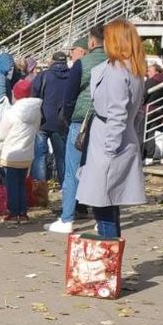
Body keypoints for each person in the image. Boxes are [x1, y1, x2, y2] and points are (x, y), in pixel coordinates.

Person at [76, 19, 147, 237]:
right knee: (109, 201)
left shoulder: (118, 70)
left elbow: (117, 112)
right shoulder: (131, 68)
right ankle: (110, 260)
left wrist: (109, 149)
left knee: (103, 203)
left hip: (109, 139)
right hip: (113, 137)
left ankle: (107, 261)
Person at [46, 26, 106, 234]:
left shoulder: (82, 64)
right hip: (105, 121)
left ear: (91, 42)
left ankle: (67, 218)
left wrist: (68, 116)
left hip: (81, 120)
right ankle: (102, 219)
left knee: (73, 171)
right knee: (99, 171)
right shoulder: (115, 63)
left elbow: (70, 96)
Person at [0, 79, 42, 224]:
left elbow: (1, 134)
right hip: (27, 153)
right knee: (21, 183)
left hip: (12, 153)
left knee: (12, 185)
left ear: (16, 93)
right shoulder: (36, 111)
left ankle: (13, 213)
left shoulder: (11, 112)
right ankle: (23, 212)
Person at [30, 51, 71, 181]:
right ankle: (63, 184)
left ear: (52, 61)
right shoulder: (72, 77)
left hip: (42, 120)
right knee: (61, 155)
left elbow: (34, 96)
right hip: (61, 122)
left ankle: (40, 186)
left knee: (40, 155)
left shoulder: (43, 75)